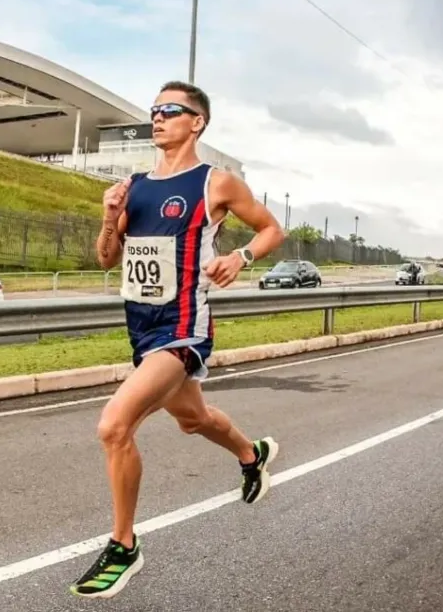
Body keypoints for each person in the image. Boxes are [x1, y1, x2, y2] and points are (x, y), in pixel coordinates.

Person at [69, 80, 287, 599]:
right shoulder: (136, 186)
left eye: (170, 110)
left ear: (197, 122)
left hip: (184, 327)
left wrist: (240, 257)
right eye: (154, 111)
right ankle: (251, 455)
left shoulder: (216, 182)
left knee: (114, 426)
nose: (158, 118)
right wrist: (107, 215)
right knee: (194, 420)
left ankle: (124, 546)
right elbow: (105, 258)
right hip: (142, 328)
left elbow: (271, 229)